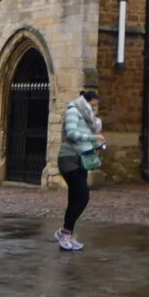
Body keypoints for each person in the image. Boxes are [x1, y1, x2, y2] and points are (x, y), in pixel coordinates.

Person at [55, 83, 105, 252]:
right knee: (83, 196)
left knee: (75, 198)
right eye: (92, 106)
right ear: (85, 103)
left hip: (81, 159)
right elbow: (71, 133)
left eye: (96, 106)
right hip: (68, 159)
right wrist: (92, 137)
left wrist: (96, 142)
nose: (94, 109)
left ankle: (67, 232)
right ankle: (64, 232)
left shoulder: (88, 119)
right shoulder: (73, 112)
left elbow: (84, 138)